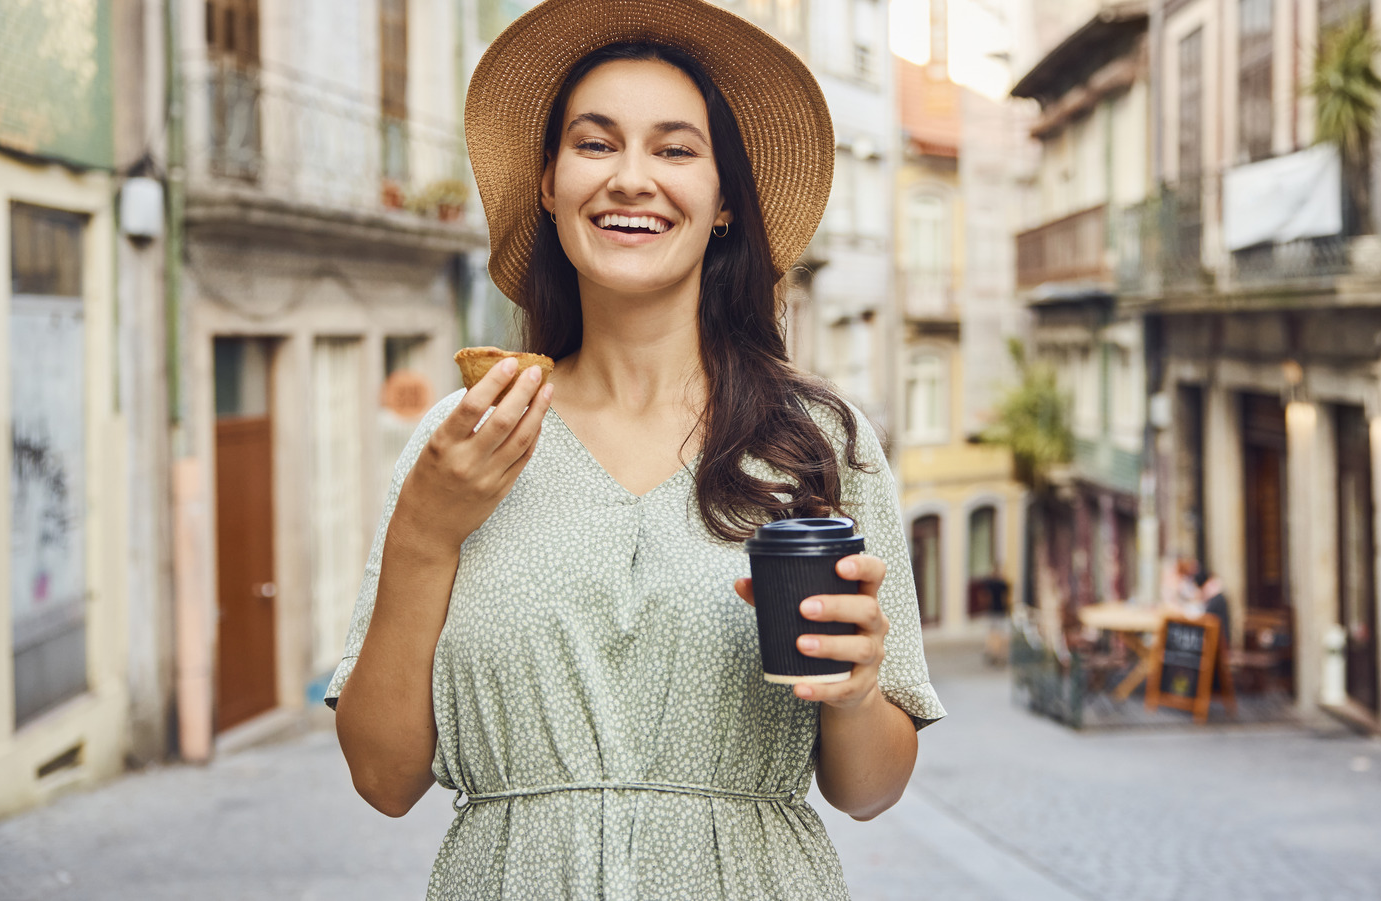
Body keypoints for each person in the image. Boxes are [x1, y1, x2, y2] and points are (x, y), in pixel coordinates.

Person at [325, 2, 946, 898]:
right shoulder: (466, 440)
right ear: (547, 183)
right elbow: (384, 781)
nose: (631, 178)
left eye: (675, 149)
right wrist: (424, 533)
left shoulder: (819, 445)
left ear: (725, 199)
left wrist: (854, 691)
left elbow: (870, 790)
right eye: (594, 143)